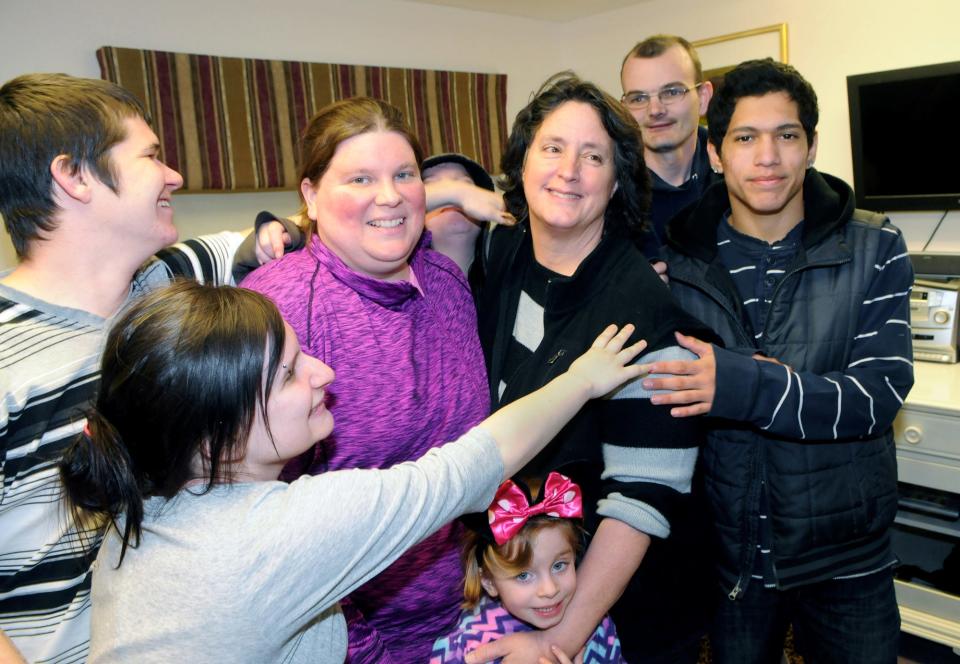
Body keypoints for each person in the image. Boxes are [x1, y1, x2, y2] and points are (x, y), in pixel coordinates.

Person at [57, 280, 648, 663]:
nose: (322, 373)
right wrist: (581, 380)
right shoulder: (280, 533)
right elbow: (464, 470)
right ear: (216, 438)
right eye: (289, 373)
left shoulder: (141, 500)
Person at [0, 73, 282, 663]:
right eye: (151, 155)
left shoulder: (167, 286)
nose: (175, 174)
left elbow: (301, 231)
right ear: (74, 176)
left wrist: (452, 196)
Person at [643, 59, 913, 663]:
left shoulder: (874, 245)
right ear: (715, 153)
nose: (768, 156)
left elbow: (877, 397)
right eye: (745, 137)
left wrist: (746, 384)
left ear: (811, 146)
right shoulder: (679, 264)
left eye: (786, 135)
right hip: (732, 556)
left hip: (848, 557)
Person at [240, 98, 511, 663]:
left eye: (404, 175)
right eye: (360, 178)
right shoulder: (276, 307)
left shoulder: (444, 282)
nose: (389, 196)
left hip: (465, 611)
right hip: (337, 636)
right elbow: (265, 527)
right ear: (310, 196)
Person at [462, 72, 718, 664]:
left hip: (618, 612)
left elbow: (640, 501)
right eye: (552, 148)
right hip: (531, 581)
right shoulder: (508, 250)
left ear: (617, 183)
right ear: (523, 162)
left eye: (593, 156)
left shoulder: (644, 318)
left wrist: (557, 643)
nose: (568, 171)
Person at [431, 472, 623, 663]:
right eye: (523, 576)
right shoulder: (472, 646)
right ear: (489, 582)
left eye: (559, 565)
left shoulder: (592, 619)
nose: (550, 590)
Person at [620, 34, 720, 256]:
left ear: (703, 98)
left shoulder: (738, 178)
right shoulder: (607, 193)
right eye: (638, 98)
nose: (655, 110)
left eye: (672, 92)